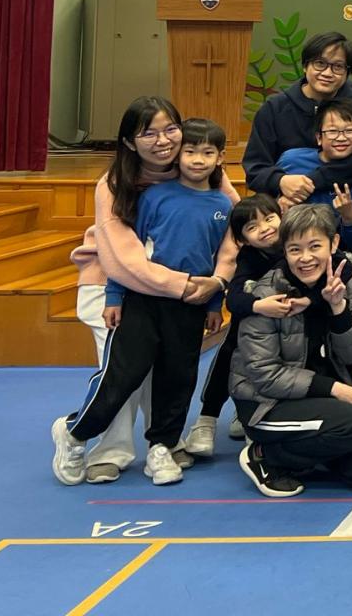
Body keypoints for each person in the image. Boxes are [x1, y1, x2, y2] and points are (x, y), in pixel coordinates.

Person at [52, 115, 234, 488]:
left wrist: (215, 301)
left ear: (220, 158)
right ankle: (75, 431)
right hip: (142, 297)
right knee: (124, 374)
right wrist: (115, 295)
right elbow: (124, 255)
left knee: (178, 377)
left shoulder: (221, 203)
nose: (198, 160)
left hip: (190, 303)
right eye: (191, 152)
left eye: (207, 153)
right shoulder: (149, 196)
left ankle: (162, 447)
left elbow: (221, 255)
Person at [229, 203, 352, 498]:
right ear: (284, 251)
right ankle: (263, 455)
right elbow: (264, 376)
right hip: (266, 404)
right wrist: (334, 389)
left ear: (333, 244)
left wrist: (338, 309)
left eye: (315, 246)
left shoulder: (346, 282)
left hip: (316, 399)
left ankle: (305, 454)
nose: (305, 258)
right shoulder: (266, 295)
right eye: (294, 249)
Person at [181, 194, 286, 459]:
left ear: (282, 217)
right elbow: (235, 298)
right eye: (252, 227)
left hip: (289, 328)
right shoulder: (249, 257)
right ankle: (206, 420)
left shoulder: (295, 245)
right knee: (230, 350)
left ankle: (250, 413)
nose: (264, 228)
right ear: (242, 239)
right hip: (254, 325)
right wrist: (258, 305)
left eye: (269, 218)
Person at [243, 31, 352, 206]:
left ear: (347, 72)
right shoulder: (274, 109)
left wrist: (310, 182)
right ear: (305, 66)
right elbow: (255, 168)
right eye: (320, 64)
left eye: (338, 66)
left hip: (341, 205)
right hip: (287, 203)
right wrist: (280, 181)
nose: (327, 73)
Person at [273, 97, 352, 253]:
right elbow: (267, 205)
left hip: (332, 254)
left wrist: (348, 217)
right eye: (332, 131)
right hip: (285, 247)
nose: (341, 137)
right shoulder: (291, 160)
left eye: (349, 131)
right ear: (319, 137)